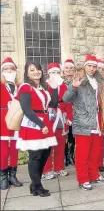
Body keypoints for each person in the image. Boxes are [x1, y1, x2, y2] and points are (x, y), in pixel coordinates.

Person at [63, 54, 104, 190]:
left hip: (97, 120)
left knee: (95, 151)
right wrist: (74, 87)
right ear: (85, 65)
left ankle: (94, 174)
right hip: (83, 121)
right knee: (83, 153)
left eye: (94, 66)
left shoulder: (99, 81)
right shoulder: (78, 79)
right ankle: (83, 179)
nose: (92, 68)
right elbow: (66, 99)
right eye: (89, 65)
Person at [16, 61, 59, 197]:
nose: (36, 72)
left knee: (45, 154)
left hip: (45, 122)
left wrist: (55, 88)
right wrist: (42, 126)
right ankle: (37, 185)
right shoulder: (25, 87)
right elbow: (27, 110)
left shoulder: (43, 87)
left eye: (38, 69)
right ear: (27, 73)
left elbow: (53, 104)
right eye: (32, 70)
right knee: (35, 156)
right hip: (34, 124)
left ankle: (35, 184)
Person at [42, 63, 70, 179]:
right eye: (53, 72)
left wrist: (69, 118)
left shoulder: (63, 86)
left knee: (60, 144)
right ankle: (47, 169)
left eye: (57, 72)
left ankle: (59, 167)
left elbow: (68, 103)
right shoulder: (44, 86)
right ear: (49, 74)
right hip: (49, 117)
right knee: (48, 144)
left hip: (61, 117)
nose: (55, 75)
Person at [0, 57, 23, 190]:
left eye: (11, 68)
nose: (9, 71)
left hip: (17, 118)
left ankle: (13, 176)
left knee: (15, 149)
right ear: (2, 71)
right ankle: (3, 176)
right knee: (3, 150)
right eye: (6, 69)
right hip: (2, 119)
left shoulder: (20, 86)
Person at [62, 59, 76, 167]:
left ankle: (71, 155)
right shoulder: (60, 81)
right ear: (63, 70)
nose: (69, 70)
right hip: (63, 111)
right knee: (63, 134)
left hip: (75, 111)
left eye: (71, 68)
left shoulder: (76, 81)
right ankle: (64, 156)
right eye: (67, 68)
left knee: (72, 134)